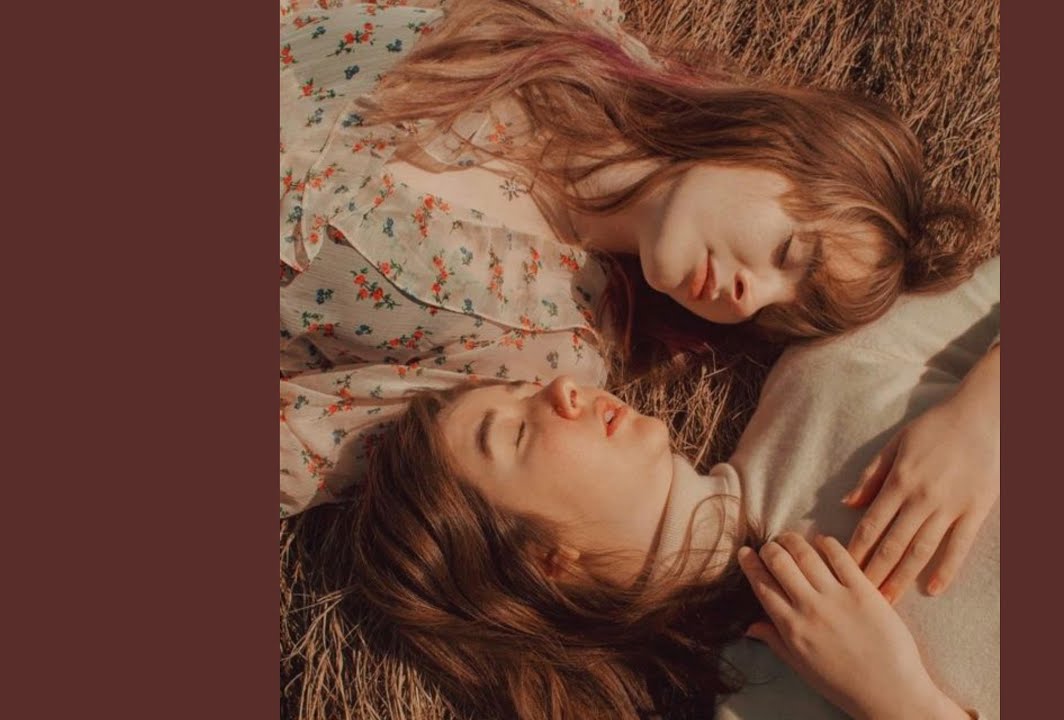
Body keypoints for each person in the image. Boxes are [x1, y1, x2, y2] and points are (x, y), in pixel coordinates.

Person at [278, 0, 984, 515]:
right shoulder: (561, 27)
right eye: (788, 251)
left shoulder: (542, 352)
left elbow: (301, 447)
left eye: (776, 310)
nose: (750, 296)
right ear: (773, 141)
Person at [349, 258, 1000, 718]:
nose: (561, 389)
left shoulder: (818, 379)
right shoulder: (762, 704)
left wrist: (984, 415)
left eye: (526, 388)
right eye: (516, 433)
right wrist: (900, 703)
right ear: (546, 562)